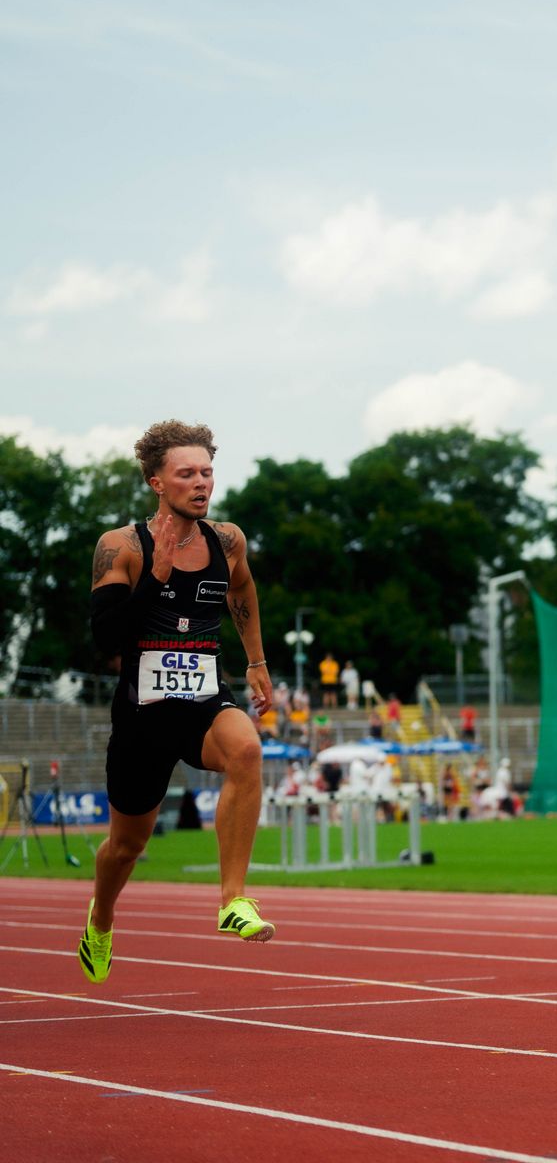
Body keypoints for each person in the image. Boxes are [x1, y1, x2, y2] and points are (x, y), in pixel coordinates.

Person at [79, 420, 277, 984]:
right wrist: (157, 575)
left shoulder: (228, 540)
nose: (201, 483)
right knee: (125, 847)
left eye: (207, 472)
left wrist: (256, 661)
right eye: (186, 473)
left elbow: (241, 588)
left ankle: (233, 900)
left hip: (204, 699)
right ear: (156, 482)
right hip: (142, 715)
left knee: (246, 750)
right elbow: (107, 640)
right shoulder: (120, 547)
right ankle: (101, 916)